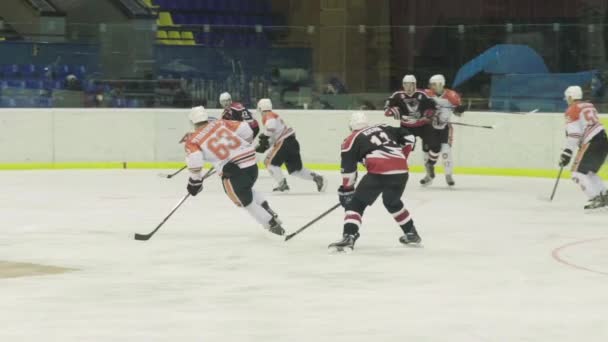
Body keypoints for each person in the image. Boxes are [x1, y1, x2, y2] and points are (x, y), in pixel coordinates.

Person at [184, 106, 285, 235]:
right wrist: (240, 148)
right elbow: (246, 130)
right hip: (251, 164)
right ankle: (268, 211)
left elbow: (195, 160)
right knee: (247, 190)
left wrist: (195, 182)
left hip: (234, 170)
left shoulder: (192, 140)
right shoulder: (220, 123)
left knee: (243, 200)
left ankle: (271, 224)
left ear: (192, 121)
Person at [328, 112, 421, 252]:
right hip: (401, 170)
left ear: (350, 126)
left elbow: (348, 171)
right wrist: (402, 157)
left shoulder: (350, 140)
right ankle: (411, 233)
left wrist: (347, 190)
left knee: (356, 204)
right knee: (392, 202)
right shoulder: (384, 127)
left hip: (379, 172)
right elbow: (410, 137)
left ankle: (349, 236)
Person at [255, 98, 327, 193]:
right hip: (292, 142)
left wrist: (264, 137)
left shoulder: (268, 116)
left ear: (260, 108)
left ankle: (282, 184)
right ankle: (318, 178)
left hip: (284, 143)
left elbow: (271, 128)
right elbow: (274, 135)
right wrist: (266, 145)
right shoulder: (275, 116)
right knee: (296, 170)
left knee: (269, 163)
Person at [559, 86, 608, 210]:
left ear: (570, 97)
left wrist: (567, 152)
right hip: (603, 140)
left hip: (592, 142)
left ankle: (595, 198)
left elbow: (575, 134)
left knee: (577, 173)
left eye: (567, 98)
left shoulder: (572, 110)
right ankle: (604, 195)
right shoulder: (589, 105)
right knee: (589, 172)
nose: (567, 100)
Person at [384, 75, 438, 186]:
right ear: (403, 85)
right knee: (402, 151)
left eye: (410, 84)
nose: (408, 87)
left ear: (415, 84)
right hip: (406, 127)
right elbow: (386, 110)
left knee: (435, 146)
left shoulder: (422, 94)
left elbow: (433, 107)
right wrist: (396, 113)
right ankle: (397, 174)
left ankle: (430, 166)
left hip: (423, 126)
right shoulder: (397, 95)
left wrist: (427, 115)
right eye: (406, 84)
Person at [424, 74, 466, 186]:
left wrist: (460, 110)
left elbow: (457, 114)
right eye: (431, 84)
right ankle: (429, 171)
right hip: (430, 127)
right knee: (431, 150)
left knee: (446, 150)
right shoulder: (426, 94)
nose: (431, 86)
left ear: (440, 84)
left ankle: (448, 175)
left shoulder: (452, 95)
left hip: (445, 127)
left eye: (433, 84)